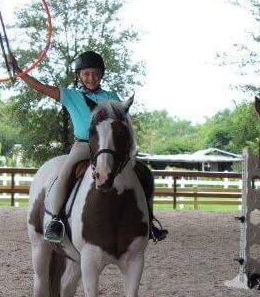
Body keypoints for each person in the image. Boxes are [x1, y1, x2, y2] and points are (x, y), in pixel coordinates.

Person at [11, 50, 167, 243]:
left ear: (101, 75)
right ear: (79, 76)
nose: (91, 78)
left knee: (144, 174)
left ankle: (149, 223)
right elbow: (41, 87)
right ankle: (56, 220)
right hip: (84, 145)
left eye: (95, 73)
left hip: (109, 146)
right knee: (64, 175)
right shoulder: (70, 96)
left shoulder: (111, 96)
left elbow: (120, 124)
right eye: (86, 74)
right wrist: (18, 71)